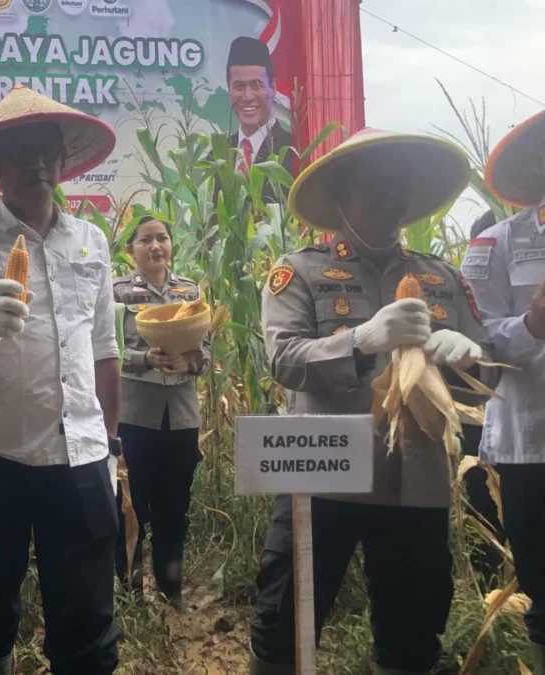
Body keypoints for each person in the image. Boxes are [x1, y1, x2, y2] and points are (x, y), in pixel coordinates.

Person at [248, 128, 499, 675]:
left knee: (413, 634)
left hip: (416, 471)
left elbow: (485, 373)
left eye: (401, 185)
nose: (392, 195)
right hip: (319, 460)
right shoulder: (300, 272)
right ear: (340, 191)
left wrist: (467, 359)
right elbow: (285, 360)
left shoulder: (442, 278)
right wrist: (361, 341)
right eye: (377, 182)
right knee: (285, 625)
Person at [0, 85, 121, 675]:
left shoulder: (92, 241)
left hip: (82, 456)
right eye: (20, 150)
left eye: (48, 149)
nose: (37, 161)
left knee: (87, 610)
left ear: (63, 160)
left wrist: (111, 448)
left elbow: (103, 352)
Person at [469, 109, 545, 673]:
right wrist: (532, 326)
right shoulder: (494, 245)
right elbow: (476, 345)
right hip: (530, 447)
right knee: (542, 588)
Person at [113, 217, 209, 609]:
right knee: (131, 507)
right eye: (145, 240)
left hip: (181, 418)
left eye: (163, 238)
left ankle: (172, 591)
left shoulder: (189, 291)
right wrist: (143, 358)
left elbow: (208, 348)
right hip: (135, 418)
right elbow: (107, 351)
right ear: (131, 249)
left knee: (175, 507)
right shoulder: (118, 293)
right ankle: (130, 592)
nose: (156, 246)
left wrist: (193, 363)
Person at [459, 209, 505, 592]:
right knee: (484, 507)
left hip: (493, 421)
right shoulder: (462, 291)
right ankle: (492, 596)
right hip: (477, 419)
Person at [226, 36, 296, 182]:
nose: (247, 96)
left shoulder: (294, 153)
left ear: (273, 88)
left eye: (256, 85)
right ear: (229, 91)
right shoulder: (218, 156)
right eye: (239, 86)